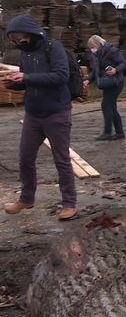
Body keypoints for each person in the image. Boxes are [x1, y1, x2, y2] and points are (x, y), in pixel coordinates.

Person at [2, 15, 77, 220]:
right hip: (33, 114)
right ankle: (27, 198)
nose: (17, 41)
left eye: (19, 36)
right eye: (14, 38)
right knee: (25, 158)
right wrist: (15, 83)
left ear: (30, 33)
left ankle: (69, 203)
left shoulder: (53, 47)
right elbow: (29, 81)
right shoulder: (25, 54)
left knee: (61, 160)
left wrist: (26, 77)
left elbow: (61, 76)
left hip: (56, 113)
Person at [83, 35, 126, 140]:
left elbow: (123, 63)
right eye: (90, 48)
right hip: (106, 83)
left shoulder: (112, 51)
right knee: (111, 107)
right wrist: (88, 80)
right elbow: (95, 71)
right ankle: (119, 132)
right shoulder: (95, 56)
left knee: (106, 105)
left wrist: (115, 70)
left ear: (98, 44)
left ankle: (108, 133)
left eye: (93, 46)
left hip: (116, 82)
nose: (92, 49)